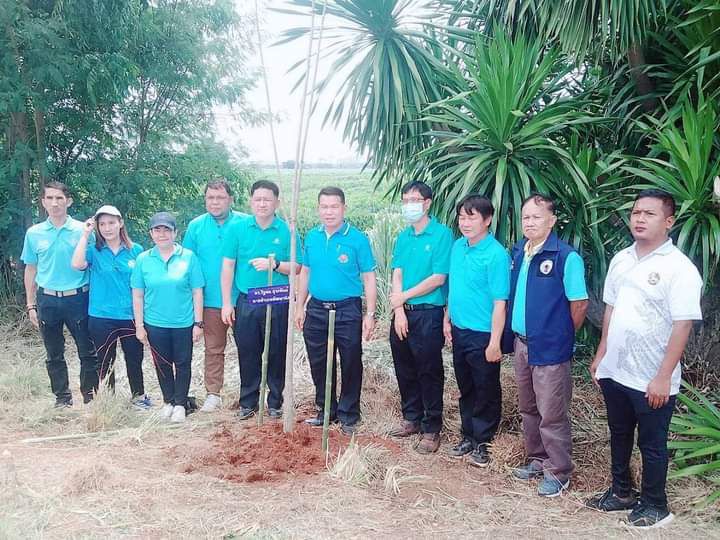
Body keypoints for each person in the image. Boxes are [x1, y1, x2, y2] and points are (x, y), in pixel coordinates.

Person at [588, 189, 703, 528]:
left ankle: (655, 506)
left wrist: (663, 376)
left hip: (652, 376)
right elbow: (611, 308)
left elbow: (682, 325)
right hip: (616, 370)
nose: (639, 218)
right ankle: (621, 492)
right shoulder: (621, 259)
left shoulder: (679, 269)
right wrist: (602, 354)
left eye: (649, 214)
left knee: (652, 444)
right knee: (619, 433)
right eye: (636, 212)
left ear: (669, 222)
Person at [507, 193, 589, 497]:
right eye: (526, 217)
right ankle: (538, 459)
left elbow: (579, 304)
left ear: (552, 221)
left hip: (550, 348)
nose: (529, 222)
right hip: (522, 344)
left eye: (536, 217)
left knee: (552, 412)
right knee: (529, 407)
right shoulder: (520, 251)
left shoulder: (565, 257)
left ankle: (559, 471)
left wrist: (560, 335)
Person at [295, 187, 377, 435]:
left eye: (334, 206)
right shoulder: (312, 237)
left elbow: (369, 277)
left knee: (351, 360)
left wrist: (370, 314)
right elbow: (305, 271)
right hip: (317, 308)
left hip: (347, 309)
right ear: (318, 208)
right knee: (319, 361)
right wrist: (300, 306)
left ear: (344, 208)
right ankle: (326, 410)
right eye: (324, 207)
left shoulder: (357, 239)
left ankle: (349, 414)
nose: (329, 212)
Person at [220, 180, 301, 420]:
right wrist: (227, 303)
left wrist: (274, 265)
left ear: (277, 202)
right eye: (258, 199)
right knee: (248, 352)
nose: (262, 204)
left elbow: (297, 267)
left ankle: (275, 402)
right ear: (251, 202)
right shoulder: (237, 229)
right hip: (248, 300)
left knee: (277, 352)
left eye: (267, 199)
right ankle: (248, 402)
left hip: (278, 299)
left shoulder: (288, 231)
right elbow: (228, 266)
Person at [444, 194, 510, 467]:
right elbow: (454, 288)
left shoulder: (496, 254)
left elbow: (500, 303)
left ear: (488, 220)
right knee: (466, 386)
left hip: (483, 334)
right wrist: (447, 318)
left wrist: (495, 342)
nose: (465, 222)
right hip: (460, 329)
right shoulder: (458, 247)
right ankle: (468, 435)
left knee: (486, 389)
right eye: (462, 217)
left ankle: (483, 442)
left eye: (471, 217)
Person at [388, 181, 453, 454]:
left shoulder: (442, 234)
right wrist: (399, 309)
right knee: (404, 366)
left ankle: (431, 427)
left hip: (428, 312)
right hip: (403, 313)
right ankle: (411, 417)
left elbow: (438, 278)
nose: (409, 205)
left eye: (414, 200)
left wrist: (404, 297)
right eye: (405, 200)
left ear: (427, 203)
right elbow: (397, 272)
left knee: (429, 370)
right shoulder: (404, 236)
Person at [21, 181, 98, 407]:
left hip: (79, 298)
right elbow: (31, 269)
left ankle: (90, 397)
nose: (54, 203)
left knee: (88, 351)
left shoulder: (84, 231)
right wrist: (30, 304)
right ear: (43, 202)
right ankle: (62, 399)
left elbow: (94, 264)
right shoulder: (34, 233)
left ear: (68, 201)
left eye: (59, 198)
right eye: (50, 198)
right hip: (48, 299)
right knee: (54, 353)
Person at [71, 205, 149, 407]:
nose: (107, 228)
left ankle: (139, 397)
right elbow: (77, 264)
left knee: (134, 358)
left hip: (130, 316)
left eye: (111, 223)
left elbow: (143, 284)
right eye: (102, 224)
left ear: (120, 223)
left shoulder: (136, 251)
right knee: (105, 360)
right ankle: (108, 400)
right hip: (101, 316)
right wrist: (84, 234)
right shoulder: (93, 251)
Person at [131, 212, 205, 422]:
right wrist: (139, 325)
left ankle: (180, 404)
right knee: (162, 364)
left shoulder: (188, 257)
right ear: (151, 233)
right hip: (155, 323)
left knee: (183, 363)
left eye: (167, 230)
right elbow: (138, 294)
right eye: (157, 230)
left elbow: (197, 291)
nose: (162, 234)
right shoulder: (143, 259)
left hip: (183, 322)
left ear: (175, 233)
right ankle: (168, 401)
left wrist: (198, 323)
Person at [183, 179, 246, 412]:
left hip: (242, 299)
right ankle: (213, 393)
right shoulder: (196, 226)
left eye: (220, 197)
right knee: (213, 349)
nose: (215, 202)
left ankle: (250, 393)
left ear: (231, 200)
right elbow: (188, 263)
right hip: (209, 300)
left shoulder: (245, 223)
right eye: (211, 197)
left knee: (249, 349)